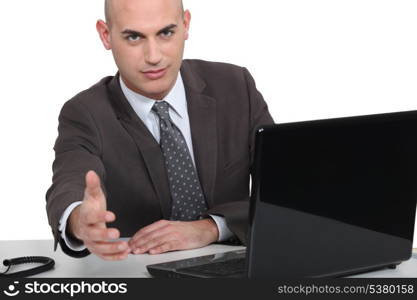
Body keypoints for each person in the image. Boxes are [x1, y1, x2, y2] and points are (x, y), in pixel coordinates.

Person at [46, 0, 274, 261]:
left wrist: (212, 227)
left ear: (186, 25)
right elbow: (69, 181)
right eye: (133, 37)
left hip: (237, 269)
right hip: (139, 274)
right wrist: (79, 219)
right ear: (105, 35)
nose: (153, 56)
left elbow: (283, 188)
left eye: (166, 33)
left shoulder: (235, 86)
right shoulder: (85, 113)